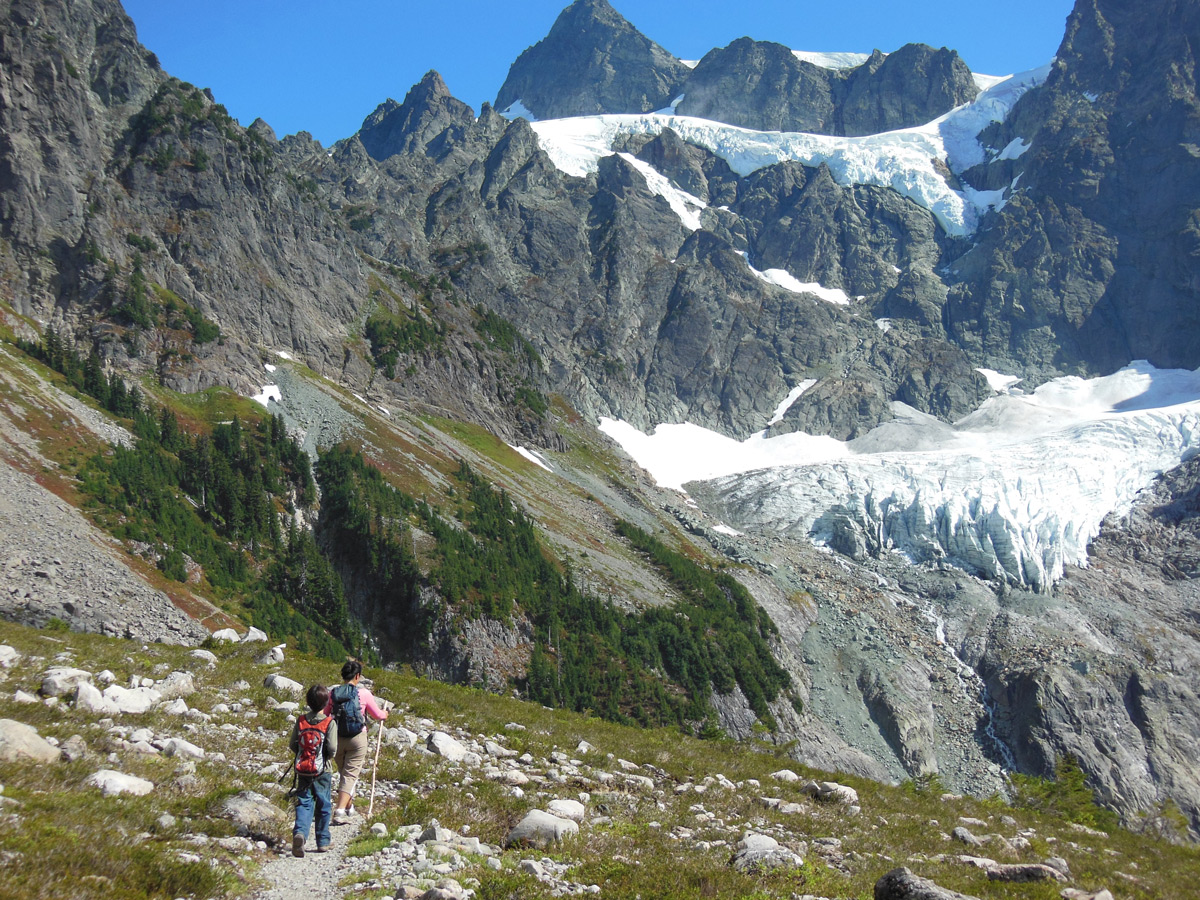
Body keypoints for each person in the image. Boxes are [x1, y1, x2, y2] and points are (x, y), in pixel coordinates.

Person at [325, 659, 389, 823]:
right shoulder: (364, 694)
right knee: (350, 775)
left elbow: (325, 715)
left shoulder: (333, 693)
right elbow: (377, 715)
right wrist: (385, 713)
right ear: (358, 676)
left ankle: (349, 805)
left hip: (337, 738)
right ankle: (339, 811)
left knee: (345, 774)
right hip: (357, 738)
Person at [289, 683, 337, 857]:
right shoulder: (329, 722)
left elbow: (292, 744)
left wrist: (304, 757)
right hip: (323, 770)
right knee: (323, 803)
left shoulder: (301, 720)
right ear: (326, 703)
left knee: (304, 802)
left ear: (308, 702)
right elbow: (332, 748)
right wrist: (323, 759)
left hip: (303, 770)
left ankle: (300, 833)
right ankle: (323, 841)